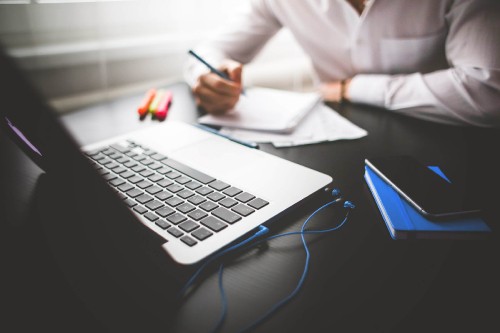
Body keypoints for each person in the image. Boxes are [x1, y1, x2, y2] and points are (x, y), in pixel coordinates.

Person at [184, 0, 500, 127]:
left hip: (443, 137)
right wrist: (206, 78)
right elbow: (209, 51)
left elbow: (487, 89)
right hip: (336, 138)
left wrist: (353, 88)